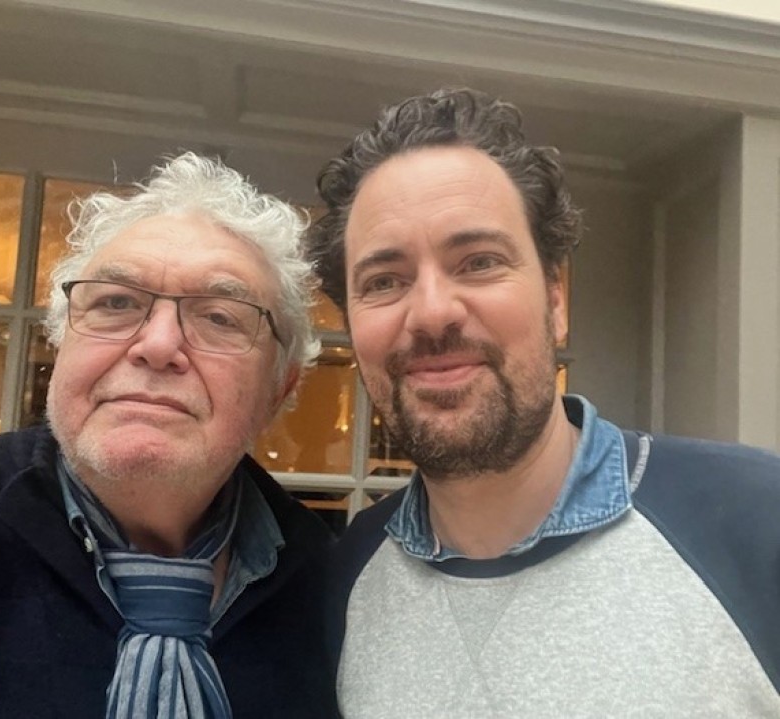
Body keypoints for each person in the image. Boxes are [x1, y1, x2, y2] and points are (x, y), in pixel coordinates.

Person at [307, 88, 780, 717]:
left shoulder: (756, 522)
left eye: (478, 262)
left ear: (556, 300)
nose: (432, 313)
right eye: (384, 281)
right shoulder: (347, 577)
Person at [0, 152, 336, 719]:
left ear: (279, 389)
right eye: (115, 302)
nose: (157, 345)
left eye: (219, 317)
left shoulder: (336, 589)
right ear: (61, 344)